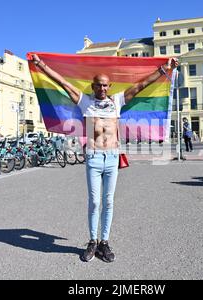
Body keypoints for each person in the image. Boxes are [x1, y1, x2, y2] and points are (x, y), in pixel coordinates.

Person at [30, 53, 179, 263]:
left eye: (106, 86)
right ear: (93, 86)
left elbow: (141, 85)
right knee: (94, 202)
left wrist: (165, 68)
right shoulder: (85, 102)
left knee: (108, 202)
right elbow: (61, 82)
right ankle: (92, 241)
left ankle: (104, 242)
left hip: (112, 157)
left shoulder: (117, 101)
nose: (103, 89)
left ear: (110, 87)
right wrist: (40, 64)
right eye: (99, 85)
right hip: (93, 157)